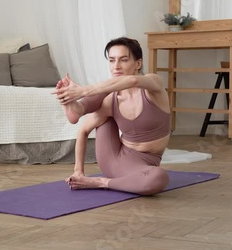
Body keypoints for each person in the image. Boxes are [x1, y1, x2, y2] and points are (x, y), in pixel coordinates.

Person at [53, 37, 171, 195]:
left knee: (158, 177)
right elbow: (83, 130)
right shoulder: (110, 100)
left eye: (123, 60)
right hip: (112, 159)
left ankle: (99, 182)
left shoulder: (153, 83)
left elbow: (134, 80)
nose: (116, 67)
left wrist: (83, 91)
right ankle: (75, 106)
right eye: (111, 60)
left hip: (142, 165)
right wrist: (78, 171)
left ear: (138, 64)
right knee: (106, 97)